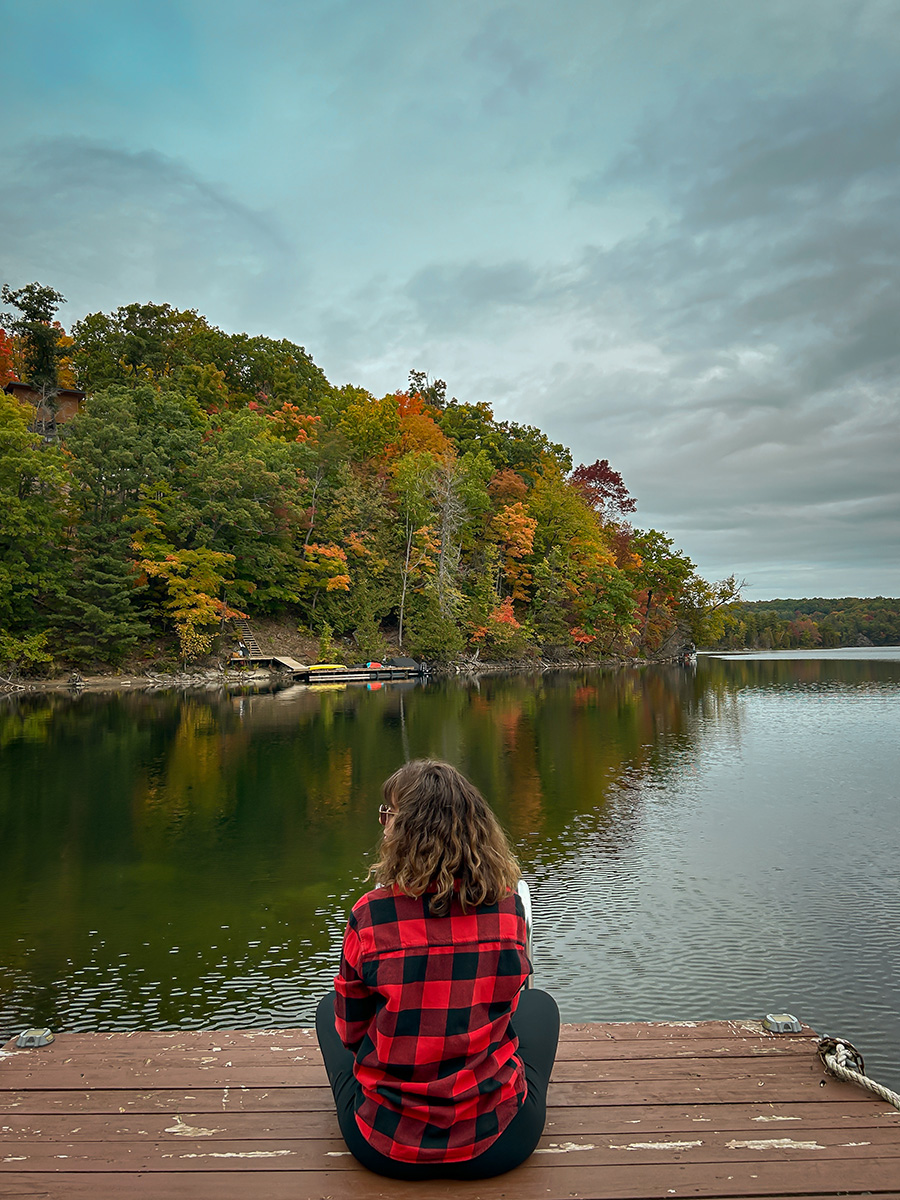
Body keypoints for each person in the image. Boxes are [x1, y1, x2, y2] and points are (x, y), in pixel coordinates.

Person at [315, 759, 560, 1180]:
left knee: (327, 1012)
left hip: (386, 1147)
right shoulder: (508, 908)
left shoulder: (370, 916)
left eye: (387, 815)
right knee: (540, 1008)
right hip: (500, 1142)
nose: (382, 825)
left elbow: (351, 1033)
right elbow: (508, 1006)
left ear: (406, 830)